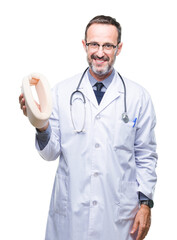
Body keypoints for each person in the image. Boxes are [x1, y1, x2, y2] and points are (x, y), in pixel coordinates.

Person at [19, 15, 157, 240]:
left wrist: (146, 204)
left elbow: (145, 155)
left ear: (118, 48)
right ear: (84, 45)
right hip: (71, 213)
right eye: (94, 44)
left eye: (108, 45)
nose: (100, 52)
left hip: (119, 217)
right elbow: (50, 153)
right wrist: (40, 123)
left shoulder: (137, 97)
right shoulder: (61, 92)